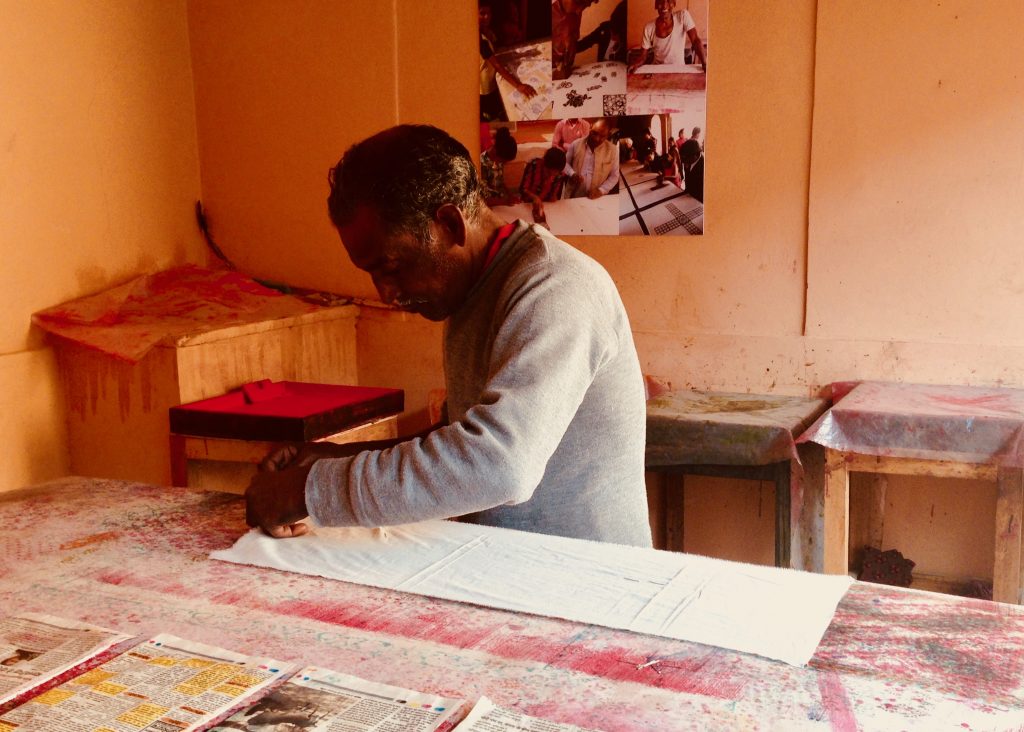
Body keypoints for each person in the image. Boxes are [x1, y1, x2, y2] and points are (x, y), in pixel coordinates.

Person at [245, 125, 651, 549]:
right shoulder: (474, 290)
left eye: (392, 266)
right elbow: (464, 435)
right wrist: (332, 459)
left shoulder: (556, 287)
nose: (385, 293)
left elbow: (499, 463)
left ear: (448, 224)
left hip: (589, 583)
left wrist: (310, 491)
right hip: (516, 568)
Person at [480, 1, 537, 122]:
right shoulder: (480, 40)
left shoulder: (487, 30)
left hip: (491, 74)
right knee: (491, 107)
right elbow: (497, 65)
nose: (487, 17)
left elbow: (495, 48)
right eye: (482, 13)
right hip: (485, 83)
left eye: (488, 13)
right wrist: (519, 85)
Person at [628, 0, 707, 73]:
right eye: (661, 1)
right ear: (656, 5)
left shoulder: (683, 16)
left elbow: (695, 40)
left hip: (678, 70)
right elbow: (643, 56)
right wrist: (635, 64)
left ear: (674, 3)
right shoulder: (649, 27)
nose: (664, 6)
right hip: (657, 71)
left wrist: (704, 63)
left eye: (669, 1)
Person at [563, 118, 620, 198]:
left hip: (596, 198)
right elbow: (564, 163)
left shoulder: (614, 151)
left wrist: (601, 190)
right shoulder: (576, 144)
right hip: (574, 195)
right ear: (590, 127)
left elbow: (614, 176)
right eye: (594, 133)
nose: (596, 139)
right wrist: (572, 174)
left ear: (608, 135)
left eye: (602, 136)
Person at [518, 146, 568, 222]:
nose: (551, 175)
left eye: (555, 174)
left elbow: (556, 197)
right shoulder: (533, 165)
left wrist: (554, 197)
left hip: (546, 208)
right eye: (548, 172)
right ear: (544, 163)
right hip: (526, 204)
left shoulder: (560, 174)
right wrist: (534, 197)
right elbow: (522, 189)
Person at [552, 0, 596, 80]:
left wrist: (572, 42)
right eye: (578, 3)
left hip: (565, 67)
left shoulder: (575, 11)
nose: (579, 11)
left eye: (586, 6)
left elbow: (573, 38)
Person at [480, 126, 518, 205]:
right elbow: (482, 198)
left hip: (498, 200)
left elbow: (500, 181)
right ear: (496, 152)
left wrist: (510, 194)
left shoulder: (498, 162)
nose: (503, 164)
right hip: (489, 205)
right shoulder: (482, 165)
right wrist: (505, 202)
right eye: (503, 161)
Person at [679, 137, 704, 202]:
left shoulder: (704, 166)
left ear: (695, 155)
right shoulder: (687, 161)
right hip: (687, 198)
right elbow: (688, 182)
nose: (683, 161)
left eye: (684, 158)